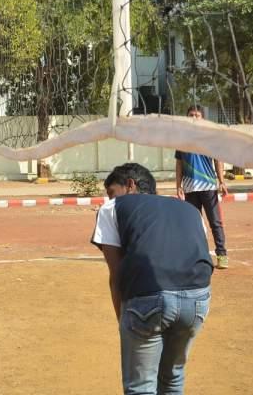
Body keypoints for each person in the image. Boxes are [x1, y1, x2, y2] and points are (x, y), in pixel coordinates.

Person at [93, 162, 213, 395]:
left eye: (111, 192)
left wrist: (123, 322)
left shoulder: (112, 208)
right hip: (198, 298)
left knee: (140, 387)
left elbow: (116, 275)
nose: (109, 198)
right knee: (173, 377)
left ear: (130, 185)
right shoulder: (189, 210)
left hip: (148, 299)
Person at [174, 105, 229, 269]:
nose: (194, 117)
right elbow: (179, 164)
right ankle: (200, 255)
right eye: (191, 115)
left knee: (215, 223)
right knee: (194, 224)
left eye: (197, 115)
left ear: (202, 118)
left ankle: (222, 255)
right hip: (190, 188)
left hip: (208, 186)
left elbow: (218, 160)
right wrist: (178, 185)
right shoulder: (181, 139)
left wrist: (222, 181)